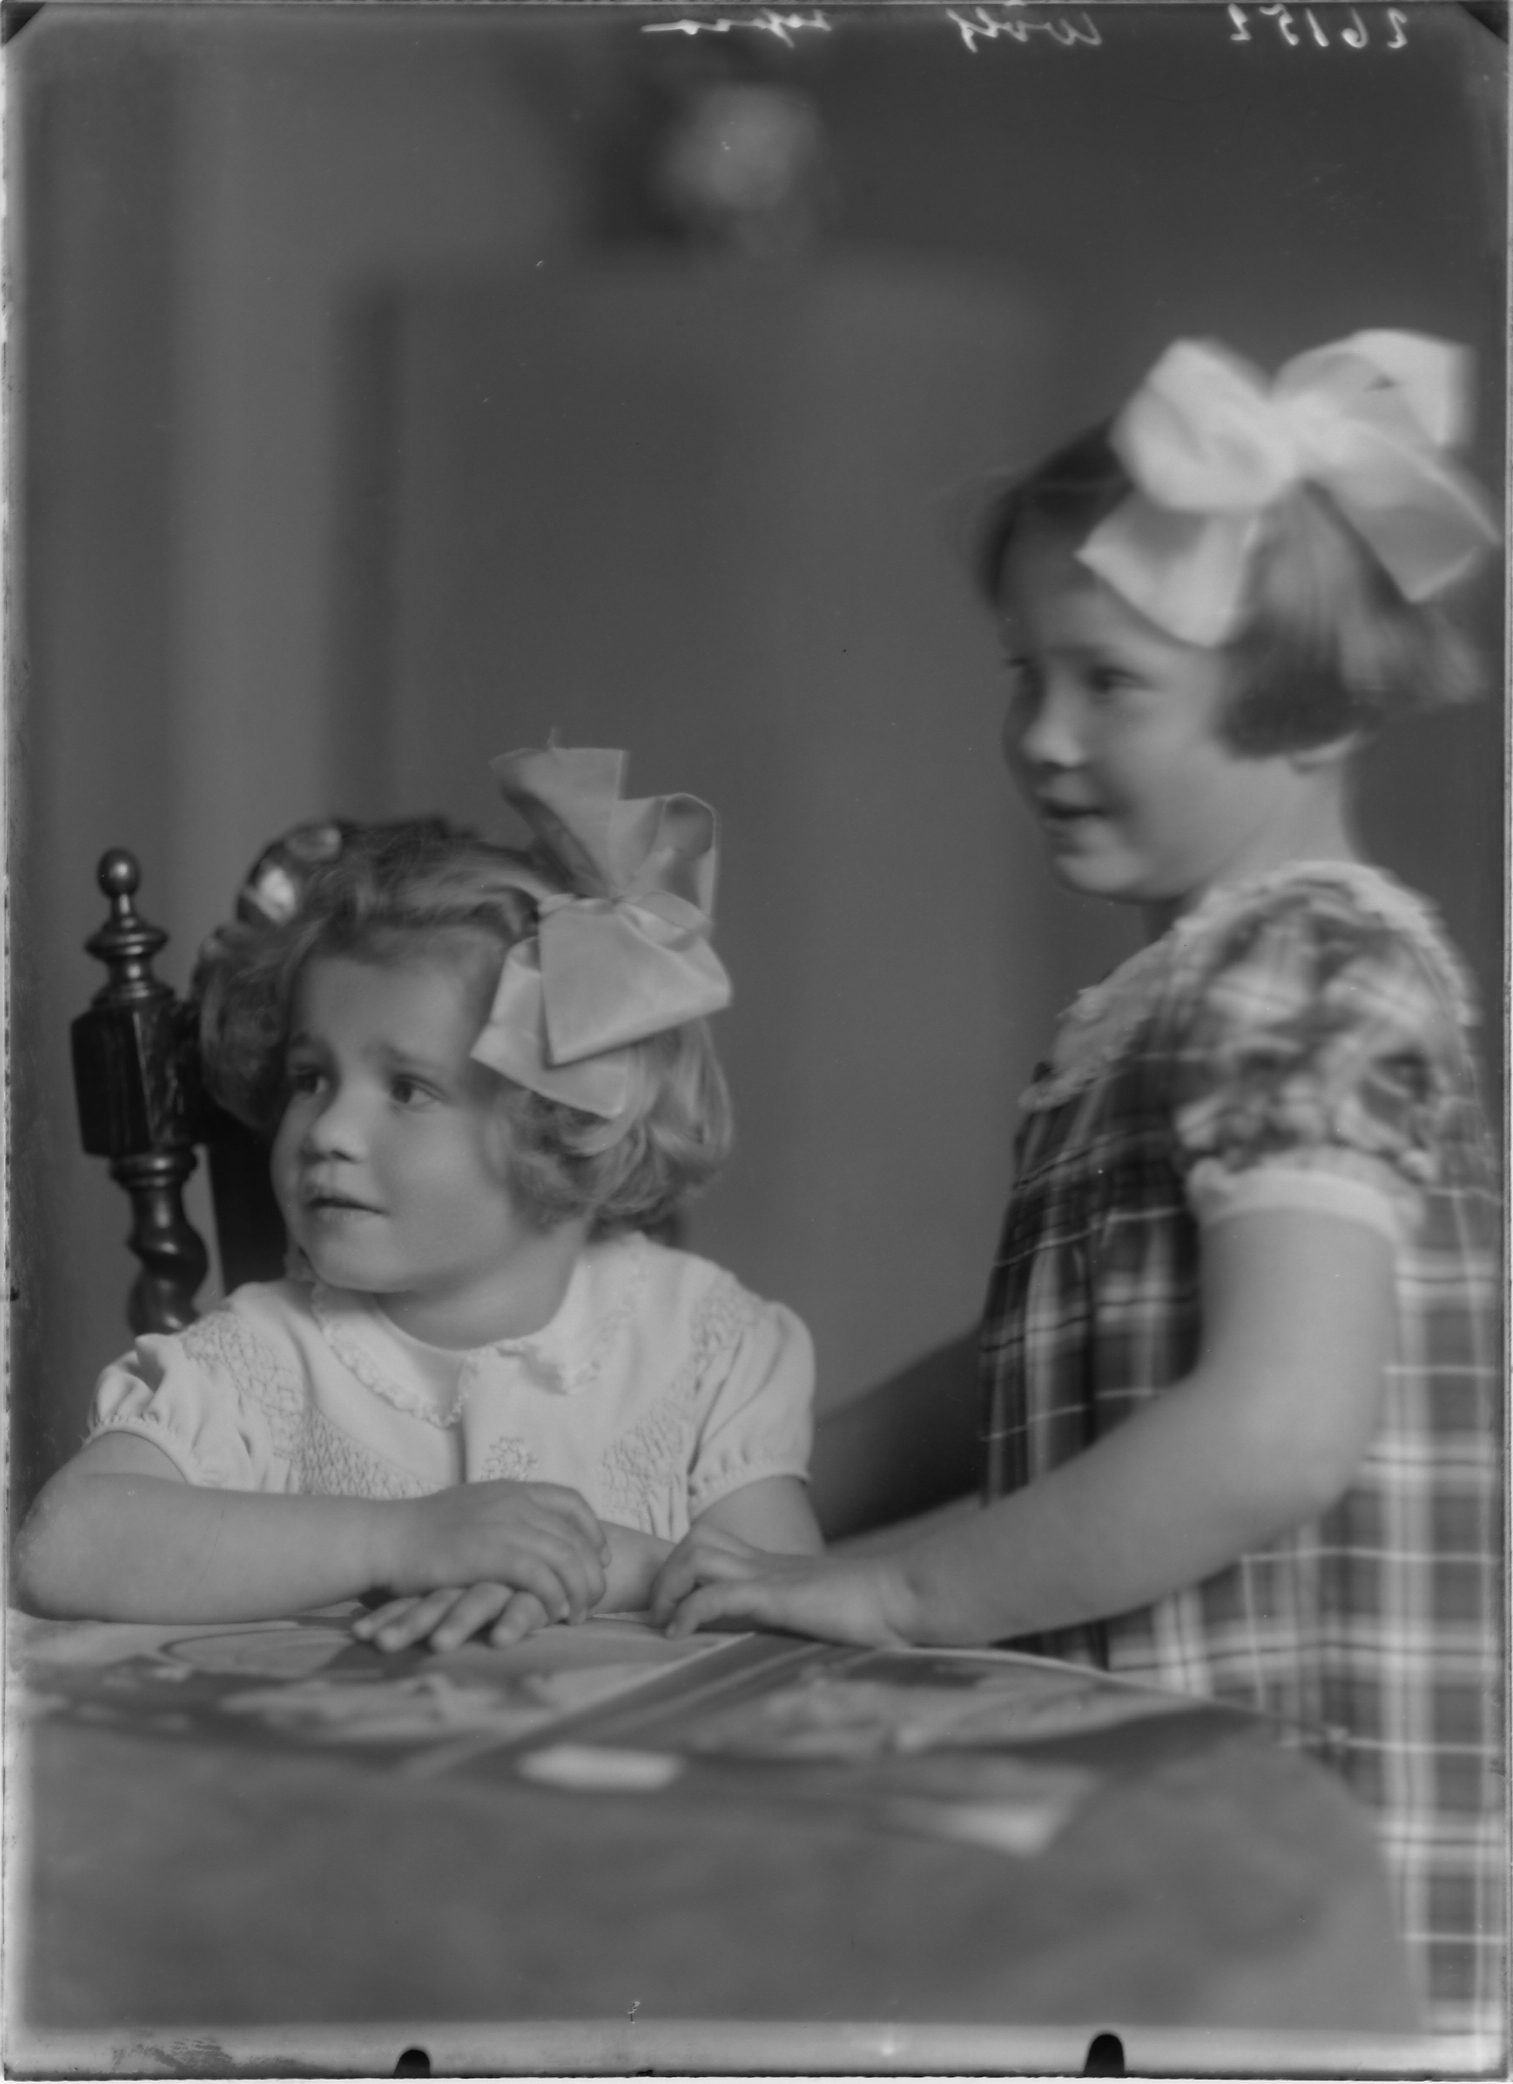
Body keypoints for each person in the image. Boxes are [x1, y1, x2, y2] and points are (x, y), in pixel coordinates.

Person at [648, 333, 1505, 2039]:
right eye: (1022, 673)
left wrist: (893, 1591)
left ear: (1311, 696)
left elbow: (1273, 1430)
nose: (1039, 734)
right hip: (1185, 1819)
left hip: (1315, 1861)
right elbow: (1045, 1359)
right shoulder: (1187, 987)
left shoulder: (1304, 970)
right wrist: (729, 1490)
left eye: (1108, 681)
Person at [18, 745, 821, 1653]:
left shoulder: (706, 1347)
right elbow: (63, 1549)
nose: (327, 1130)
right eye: (310, 1079)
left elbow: (778, 1610)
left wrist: (580, 1565)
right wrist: (399, 1540)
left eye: (407, 1089)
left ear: (563, 1125)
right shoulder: (265, 1358)